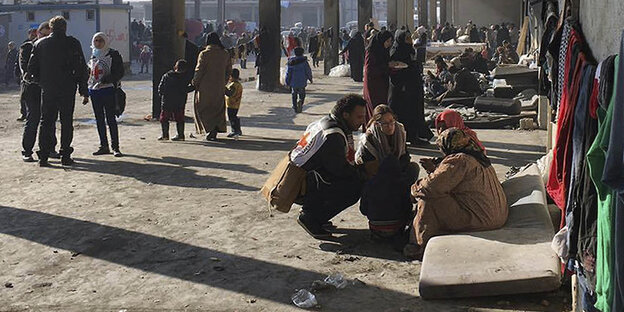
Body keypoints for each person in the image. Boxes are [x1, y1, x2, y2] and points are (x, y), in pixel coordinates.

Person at [404, 128, 508, 259]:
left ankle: (419, 247)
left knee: (428, 198)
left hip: (481, 219)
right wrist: (435, 169)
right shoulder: (478, 156)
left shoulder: (459, 160)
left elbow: (431, 187)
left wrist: (414, 190)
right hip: (496, 216)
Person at [292, 94, 368, 239]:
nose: (362, 121)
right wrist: (362, 173)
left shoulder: (326, 121)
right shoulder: (333, 135)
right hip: (300, 184)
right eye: (359, 117)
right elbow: (339, 169)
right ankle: (310, 217)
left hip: (304, 177)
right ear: (345, 115)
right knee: (355, 186)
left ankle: (317, 215)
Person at [28, 16, 89, 167]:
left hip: (48, 88)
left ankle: (43, 156)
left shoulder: (40, 44)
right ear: (65, 28)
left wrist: (41, 82)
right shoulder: (73, 43)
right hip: (68, 88)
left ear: (51, 28)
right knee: (66, 122)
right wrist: (83, 89)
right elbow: (81, 67)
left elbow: (31, 69)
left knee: (46, 122)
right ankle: (65, 155)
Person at [356, 105, 419, 242]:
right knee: (399, 195)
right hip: (375, 173)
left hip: (389, 175)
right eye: (385, 123)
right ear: (377, 124)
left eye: (392, 122)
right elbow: (367, 166)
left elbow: (405, 158)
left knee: (413, 168)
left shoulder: (400, 131)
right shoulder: (369, 139)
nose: (390, 126)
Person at [19, 22, 59, 162]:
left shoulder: (53, 49)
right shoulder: (27, 47)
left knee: (50, 120)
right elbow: (25, 70)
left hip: (48, 89)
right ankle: (27, 151)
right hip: (32, 90)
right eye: (43, 34)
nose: (45, 38)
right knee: (33, 119)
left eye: (49, 35)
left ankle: (50, 149)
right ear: (37, 33)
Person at [388, 29, 433, 145]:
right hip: (403, 89)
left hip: (413, 87)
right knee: (405, 113)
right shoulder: (396, 51)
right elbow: (393, 72)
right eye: (407, 38)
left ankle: (415, 135)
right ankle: (405, 137)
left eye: (410, 38)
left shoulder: (410, 50)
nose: (410, 41)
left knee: (414, 111)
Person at [87, 32, 125, 157]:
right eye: (96, 40)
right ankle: (104, 145)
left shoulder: (113, 54)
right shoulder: (93, 56)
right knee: (99, 120)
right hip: (95, 92)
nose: (98, 43)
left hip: (109, 91)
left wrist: (108, 80)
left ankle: (116, 147)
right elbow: (91, 75)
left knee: (111, 119)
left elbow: (119, 72)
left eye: (100, 40)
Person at [192, 32, 232, 141]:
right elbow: (229, 71)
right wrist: (223, 82)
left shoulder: (204, 54)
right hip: (219, 86)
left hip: (205, 87)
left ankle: (209, 129)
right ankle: (214, 129)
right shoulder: (225, 54)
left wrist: (195, 82)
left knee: (203, 108)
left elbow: (199, 70)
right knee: (217, 109)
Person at [157, 59, 194, 141]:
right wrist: (194, 87)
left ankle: (165, 135)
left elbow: (160, 88)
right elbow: (185, 89)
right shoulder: (184, 78)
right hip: (180, 102)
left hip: (167, 101)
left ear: (175, 67)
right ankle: (180, 135)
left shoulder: (167, 76)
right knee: (179, 118)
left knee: (164, 118)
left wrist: (163, 95)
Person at [363, 30, 393, 119]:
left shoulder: (384, 51)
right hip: (374, 85)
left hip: (382, 83)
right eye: (387, 41)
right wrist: (387, 66)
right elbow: (370, 70)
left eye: (390, 41)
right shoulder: (371, 51)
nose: (389, 44)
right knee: (375, 108)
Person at [16, 30, 37, 121]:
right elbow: (19, 60)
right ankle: (23, 113)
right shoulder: (25, 45)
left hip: (35, 75)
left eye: (34, 34)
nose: (32, 36)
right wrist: (17, 72)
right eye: (31, 34)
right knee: (23, 97)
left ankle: (33, 114)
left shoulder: (38, 45)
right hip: (25, 76)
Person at [285, 47, 313, 113]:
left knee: (294, 94)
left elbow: (288, 73)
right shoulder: (304, 62)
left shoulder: (291, 62)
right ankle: (300, 101)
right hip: (302, 81)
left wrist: (287, 81)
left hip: (293, 82)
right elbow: (308, 71)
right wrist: (310, 78)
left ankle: (295, 106)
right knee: (302, 93)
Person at [225, 68, 243, 138]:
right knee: (234, 117)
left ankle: (235, 130)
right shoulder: (239, 85)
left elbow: (230, 93)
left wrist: (224, 89)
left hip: (231, 104)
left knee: (232, 118)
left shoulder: (233, 85)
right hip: (236, 104)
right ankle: (238, 130)